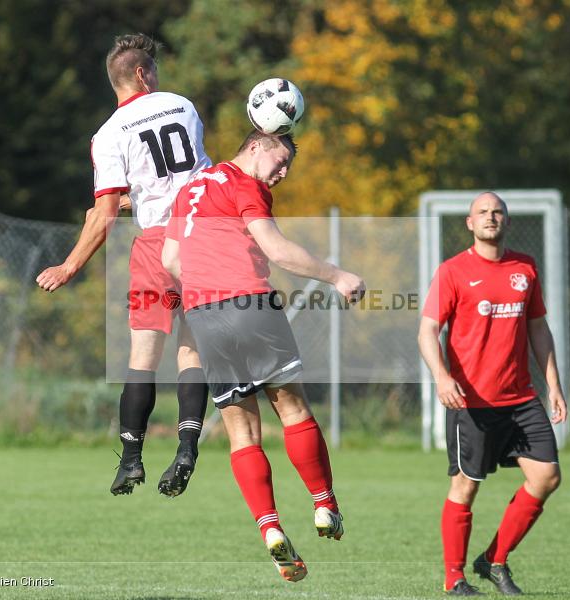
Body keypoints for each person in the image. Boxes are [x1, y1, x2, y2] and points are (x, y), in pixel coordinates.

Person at [162, 131, 365, 582]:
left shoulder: (190, 189)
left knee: (242, 433)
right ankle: (324, 503)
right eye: (281, 157)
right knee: (292, 409)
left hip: (204, 315)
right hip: (250, 304)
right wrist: (337, 276)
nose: (284, 170)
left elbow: (171, 258)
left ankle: (270, 528)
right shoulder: (244, 184)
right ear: (255, 145)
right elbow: (276, 249)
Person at [35, 33, 212, 498]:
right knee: (191, 352)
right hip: (204, 238)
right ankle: (187, 448)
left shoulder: (108, 135)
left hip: (155, 247)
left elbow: (107, 214)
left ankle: (131, 459)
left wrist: (69, 266)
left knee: (143, 360)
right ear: (142, 74)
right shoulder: (183, 105)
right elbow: (186, 180)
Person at [418, 192, 567, 596]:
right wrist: (442, 377)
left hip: (521, 398)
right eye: (482, 212)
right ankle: (454, 578)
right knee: (466, 487)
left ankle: (494, 560)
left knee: (547, 476)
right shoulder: (452, 271)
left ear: (507, 221)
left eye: (497, 211)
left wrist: (553, 384)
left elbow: (538, 328)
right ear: (469, 223)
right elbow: (427, 331)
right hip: (472, 402)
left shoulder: (525, 267)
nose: (490, 217)